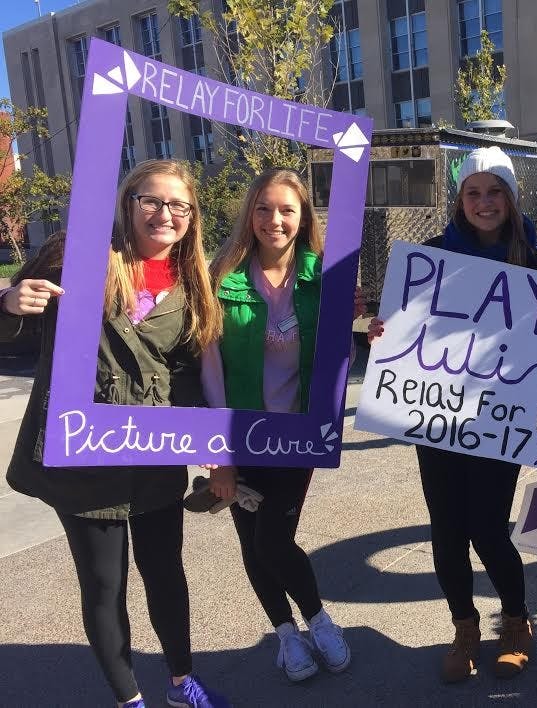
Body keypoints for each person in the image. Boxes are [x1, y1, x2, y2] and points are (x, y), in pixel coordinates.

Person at [0, 160, 229, 708]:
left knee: (166, 574)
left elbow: (190, 376)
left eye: (178, 205)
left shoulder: (194, 285)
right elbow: (16, 330)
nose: (165, 214)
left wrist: (211, 444)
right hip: (84, 457)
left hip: (154, 456)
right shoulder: (77, 257)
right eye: (152, 200)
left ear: (192, 216)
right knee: (105, 585)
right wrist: (8, 303)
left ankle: (181, 682)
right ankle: (130, 699)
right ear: (128, 203)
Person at [367, 146, 537, 684]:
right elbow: (397, 328)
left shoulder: (536, 265)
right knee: (448, 531)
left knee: (489, 530)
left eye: (495, 192)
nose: (484, 202)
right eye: (473, 192)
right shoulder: (427, 259)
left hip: (500, 421)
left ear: (511, 199)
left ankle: (516, 621)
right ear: (460, 199)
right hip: (439, 417)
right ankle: (464, 627)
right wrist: (381, 331)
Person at [200, 169, 359, 683]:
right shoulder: (221, 278)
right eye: (264, 208)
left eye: (287, 209)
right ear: (250, 214)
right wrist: (218, 455)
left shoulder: (326, 278)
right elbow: (210, 369)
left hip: (296, 438)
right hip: (239, 437)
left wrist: (362, 328)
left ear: (303, 217)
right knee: (252, 543)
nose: (275, 219)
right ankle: (287, 634)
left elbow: (338, 356)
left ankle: (320, 621)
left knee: (272, 540)